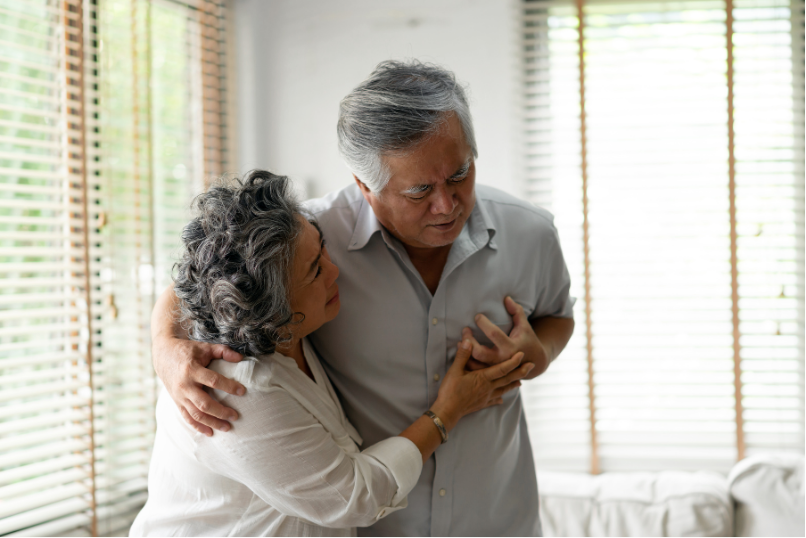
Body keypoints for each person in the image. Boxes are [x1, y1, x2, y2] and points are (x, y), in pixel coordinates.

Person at [151, 60, 575, 537]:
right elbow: (204, 283)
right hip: (379, 522)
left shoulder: (531, 232)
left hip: (498, 516)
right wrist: (165, 347)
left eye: (460, 173)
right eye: (420, 190)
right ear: (364, 186)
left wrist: (539, 354)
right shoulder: (307, 242)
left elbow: (558, 317)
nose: (447, 203)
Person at [130, 171, 533, 537]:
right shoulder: (237, 391)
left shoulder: (285, 329)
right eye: (314, 271)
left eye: (321, 248)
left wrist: (162, 341)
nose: (334, 269)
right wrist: (448, 410)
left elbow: (206, 273)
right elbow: (356, 497)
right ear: (273, 311)